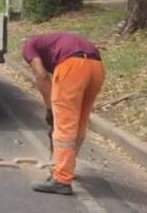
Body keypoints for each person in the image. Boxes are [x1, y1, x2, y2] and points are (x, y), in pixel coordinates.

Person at [22, 32, 104, 195]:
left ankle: (61, 179)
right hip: (96, 67)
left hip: (72, 67)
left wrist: (50, 110)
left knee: (64, 123)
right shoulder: (57, 40)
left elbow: (42, 75)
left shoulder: (29, 46)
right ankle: (67, 167)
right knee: (80, 120)